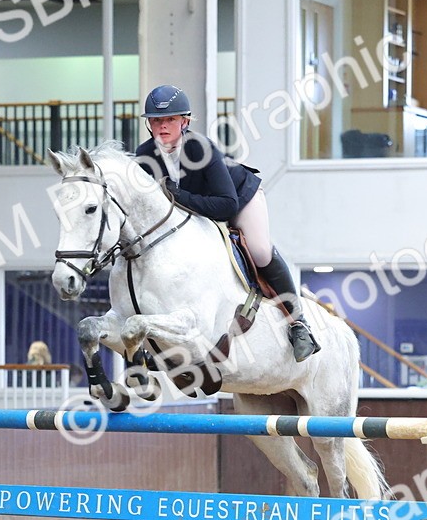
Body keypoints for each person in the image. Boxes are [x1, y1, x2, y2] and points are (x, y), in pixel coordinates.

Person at [133, 84, 320, 362]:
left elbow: (226, 205)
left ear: (184, 122)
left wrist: (179, 195)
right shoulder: (144, 155)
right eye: (156, 120)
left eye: (170, 119)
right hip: (197, 212)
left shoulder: (200, 148)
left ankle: (298, 323)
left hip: (239, 198)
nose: (162, 126)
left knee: (259, 251)